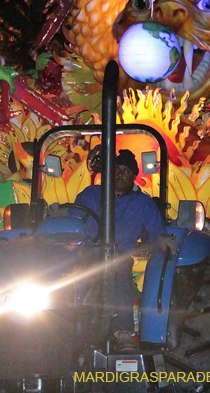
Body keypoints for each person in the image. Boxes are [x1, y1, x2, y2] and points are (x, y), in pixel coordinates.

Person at [73, 149, 168, 352]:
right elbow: (72, 221)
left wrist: (162, 240)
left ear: (134, 176)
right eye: (116, 169)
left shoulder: (144, 204)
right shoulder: (90, 195)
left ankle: (123, 331)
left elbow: (155, 233)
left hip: (118, 257)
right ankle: (66, 325)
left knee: (120, 270)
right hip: (86, 254)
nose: (120, 174)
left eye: (125, 171)